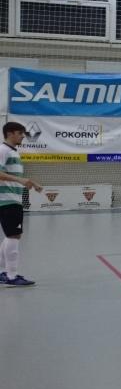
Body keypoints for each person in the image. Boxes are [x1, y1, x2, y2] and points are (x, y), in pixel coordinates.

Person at [0, 122, 43, 287]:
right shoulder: (3, 150)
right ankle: (12, 276)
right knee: (14, 236)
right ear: (10, 133)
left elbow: (12, 175)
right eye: (20, 133)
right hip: (8, 200)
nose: (23, 136)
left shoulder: (12, 152)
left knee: (10, 235)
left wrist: (31, 183)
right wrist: (19, 179)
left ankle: (4, 273)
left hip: (12, 199)